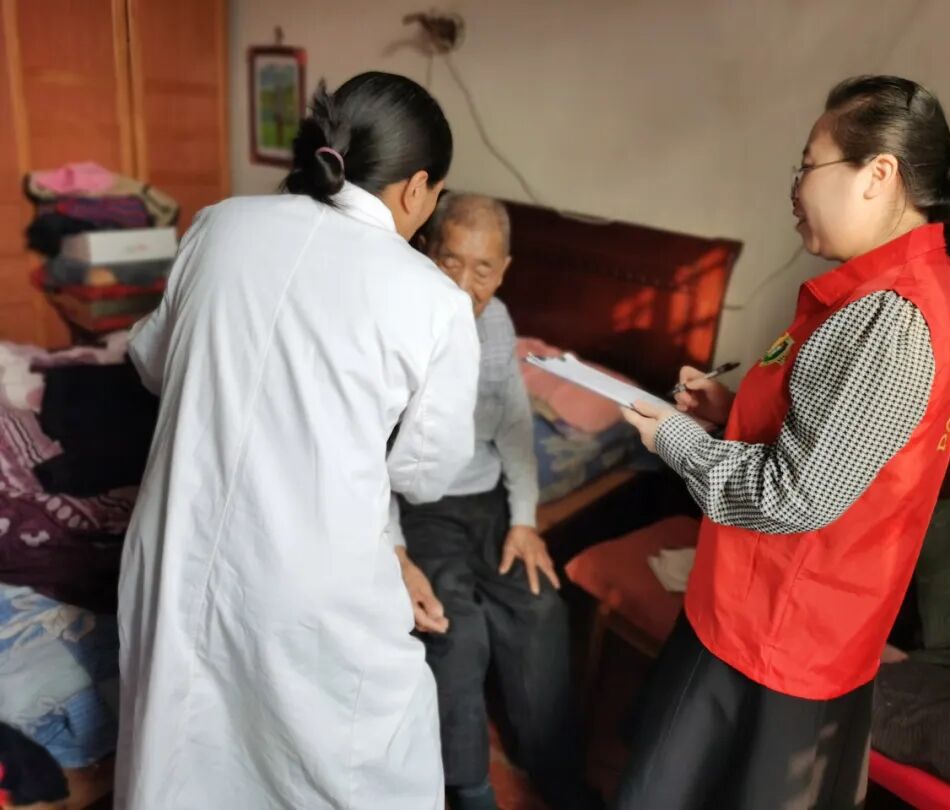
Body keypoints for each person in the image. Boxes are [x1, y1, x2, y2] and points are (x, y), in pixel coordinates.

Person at [617, 75, 950, 809]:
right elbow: (830, 439)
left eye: (809, 165)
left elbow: (795, 493)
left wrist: (676, 440)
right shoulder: (880, 291)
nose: (796, 189)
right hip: (761, 614)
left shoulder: (889, 317)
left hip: (779, 637)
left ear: (877, 175)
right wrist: (728, 412)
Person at [115, 73, 480, 810]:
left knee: (180, 756)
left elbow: (150, 360)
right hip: (308, 586)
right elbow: (424, 472)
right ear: (417, 188)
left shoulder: (220, 224)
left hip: (177, 548)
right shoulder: (433, 300)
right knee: (345, 770)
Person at [391, 193, 601, 810]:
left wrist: (524, 522)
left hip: (484, 499)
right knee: (456, 629)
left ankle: (555, 772)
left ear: (504, 270)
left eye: (482, 269)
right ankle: (468, 787)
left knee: (540, 606)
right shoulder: (398, 321)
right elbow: (366, 455)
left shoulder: (498, 321)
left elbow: (513, 429)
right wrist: (394, 551)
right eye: (450, 261)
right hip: (417, 503)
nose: (464, 285)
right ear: (427, 252)